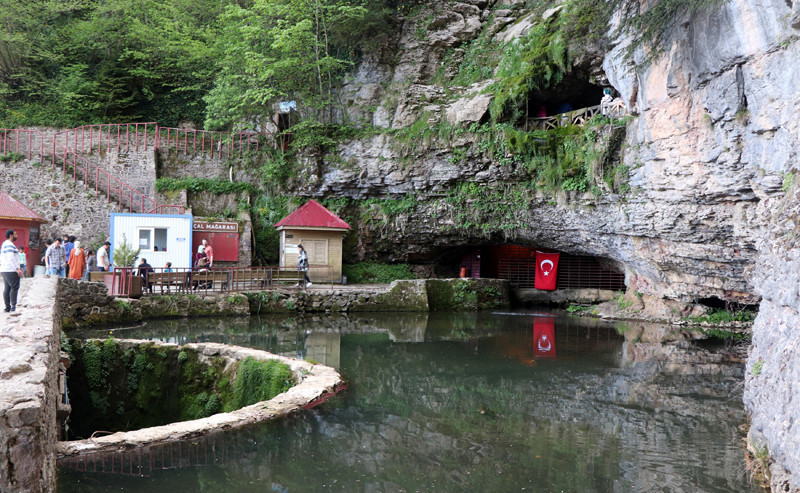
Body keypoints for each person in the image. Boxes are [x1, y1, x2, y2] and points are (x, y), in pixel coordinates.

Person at [1, 230, 24, 312]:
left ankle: (7, 307)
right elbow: (10, 258)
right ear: (11, 235)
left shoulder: (4, 244)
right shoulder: (9, 245)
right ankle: (13, 306)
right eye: (15, 234)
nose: (16, 235)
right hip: (10, 270)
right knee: (14, 287)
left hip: (4, 269)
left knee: (7, 287)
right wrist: (17, 269)